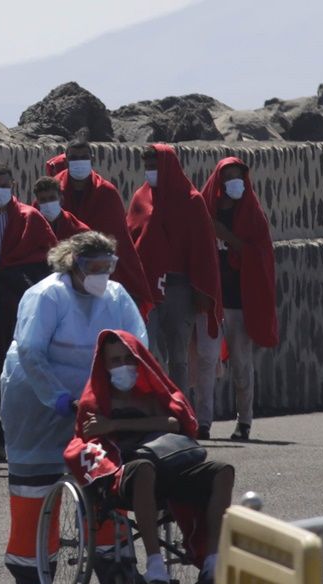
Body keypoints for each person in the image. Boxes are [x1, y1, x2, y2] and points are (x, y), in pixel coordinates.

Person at [0, 232, 147, 584]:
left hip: (94, 396)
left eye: (107, 267)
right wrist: (57, 398)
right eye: (92, 267)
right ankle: (31, 580)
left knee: (105, 479)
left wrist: (128, 388)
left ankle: (119, 575)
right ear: (73, 265)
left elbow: (137, 343)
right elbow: (31, 350)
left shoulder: (116, 296)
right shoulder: (47, 295)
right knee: (35, 485)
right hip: (36, 394)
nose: (101, 274)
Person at [66, 329, 235, 584]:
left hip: (168, 465)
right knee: (144, 469)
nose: (123, 366)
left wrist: (114, 424)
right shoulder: (96, 400)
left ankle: (212, 561)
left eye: (128, 359)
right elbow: (89, 436)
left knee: (222, 471)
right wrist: (132, 425)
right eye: (115, 361)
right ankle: (155, 563)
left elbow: (172, 423)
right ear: (105, 365)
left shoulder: (149, 395)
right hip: (123, 472)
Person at [127, 144, 222, 428]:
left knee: (178, 356)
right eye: (146, 166)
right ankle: (153, 414)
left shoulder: (191, 200)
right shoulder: (140, 197)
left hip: (180, 289)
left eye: (155, 165)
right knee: (149, 350)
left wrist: (203, 290)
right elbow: (132, 236)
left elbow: (203, 248)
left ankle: (181, 414)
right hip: (148, 288)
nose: (150, 171)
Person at [0, 163, 58, 463]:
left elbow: (50, 261)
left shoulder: (30, 219)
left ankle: (33, 438)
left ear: (12, 185)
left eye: (3, 184)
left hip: (20, 307)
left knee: (27, 372)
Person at [197, 157, 279, 441]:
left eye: (239, 176)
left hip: (239, 302)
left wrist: (227, 236)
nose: (235, 182)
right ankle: (203, 422)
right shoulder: (207, 212)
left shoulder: (252, 215)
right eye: (229, 176)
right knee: (206, 362)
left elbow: (260, 255)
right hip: (211, 301)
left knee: (242, 364)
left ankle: (244, 421)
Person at [45, 135, 153, 315]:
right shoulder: (52, 190)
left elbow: (120, 241)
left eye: (83, 157)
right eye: (74, 158)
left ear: (92, 159)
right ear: (67, 159)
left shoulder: (106, 192)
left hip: (98, 278)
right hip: (60, 277)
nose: (79, 162)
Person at [33, 176, 91, 240]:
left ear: (61, 200)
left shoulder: (79, 231)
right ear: (38, 204)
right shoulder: (32, 229)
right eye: (43, 200)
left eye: (52, 198)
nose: (48, 203)